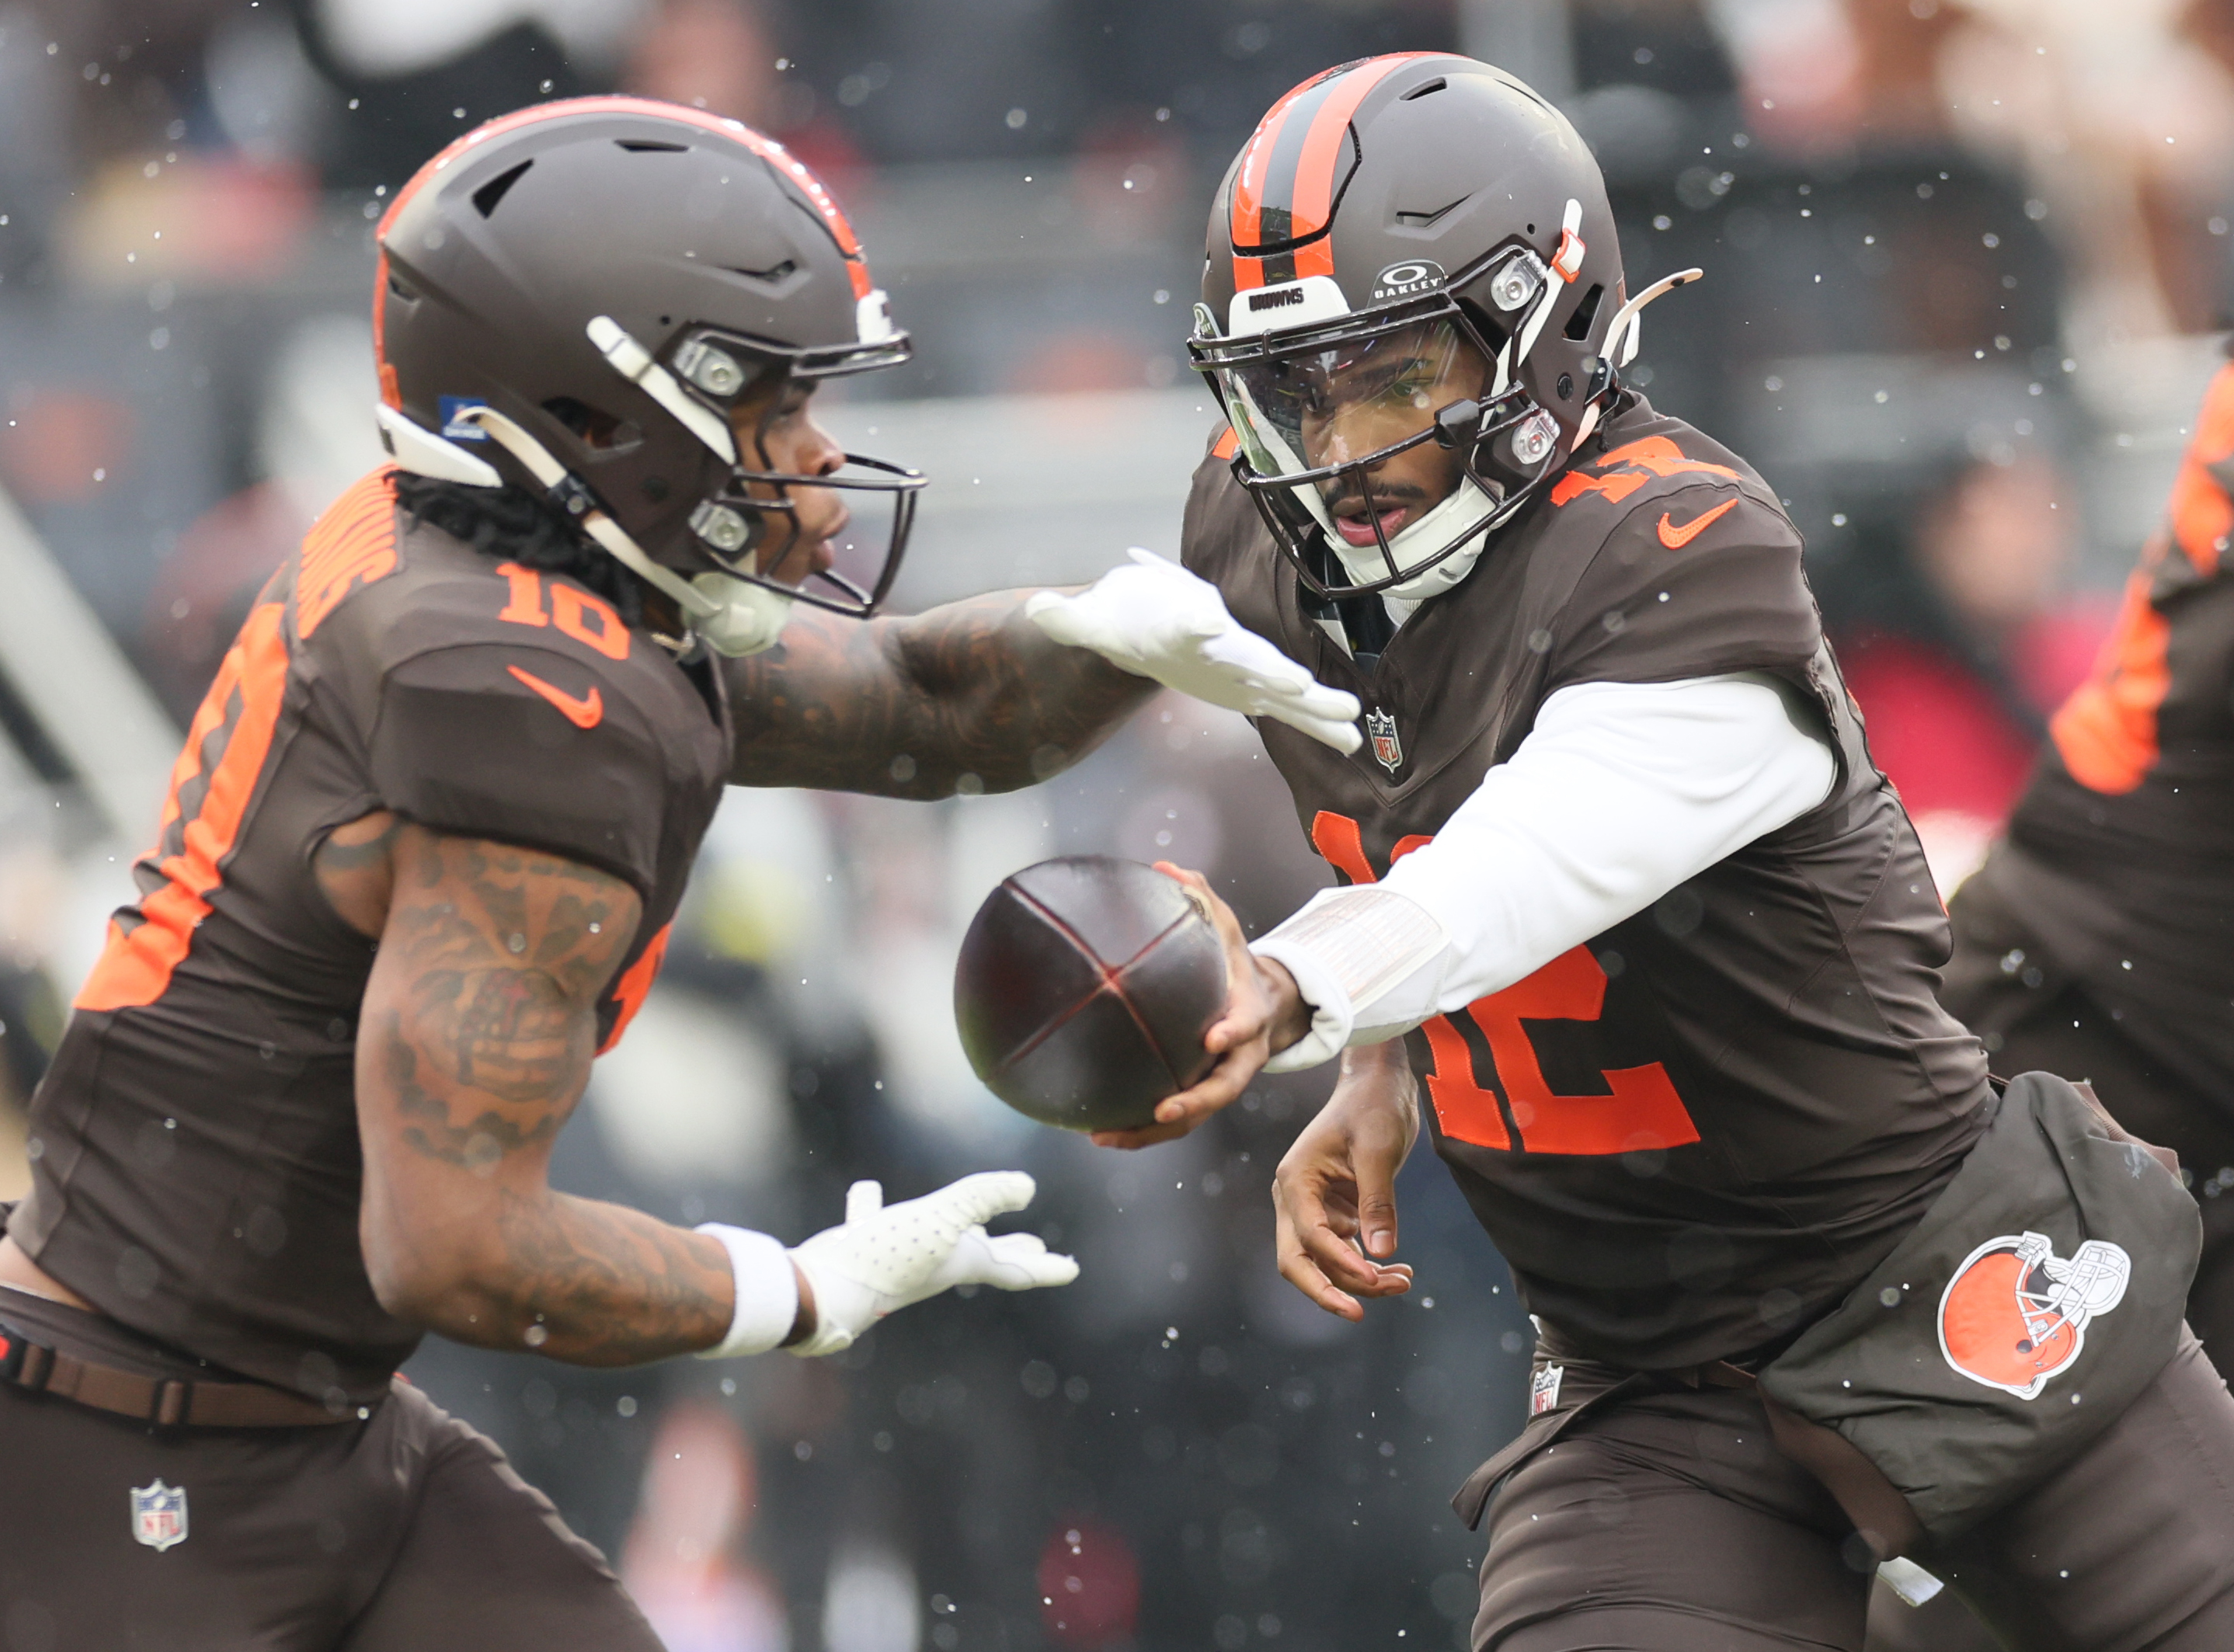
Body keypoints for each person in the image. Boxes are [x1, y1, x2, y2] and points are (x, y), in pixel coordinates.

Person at [0, 98, 1360, 1648]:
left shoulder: (483, 558)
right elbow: (449, 1237)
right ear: (596, 419)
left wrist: (1119, 628)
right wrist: (792, 1285)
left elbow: (920, 711)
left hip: (299, 1414)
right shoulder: (521, 685)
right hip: (137, 1439)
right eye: (771, 401)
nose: (818, 452)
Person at [1028, 54, 2234, 1651]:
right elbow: (1410, 816)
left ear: (1541, 330)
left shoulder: (1674, 543)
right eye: (1294, 387)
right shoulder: (1267, 543)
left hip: (1950, 1273)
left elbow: (1535, 854)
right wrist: (1380, 1055)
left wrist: (1303, 980)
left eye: (1391, 375)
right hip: (1642, 1365)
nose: (1335, 447)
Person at [1863, 356, 2234, 1652]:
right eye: (1994, 503)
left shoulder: (2081, 643)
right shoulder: (1883, 689)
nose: (2031, 527)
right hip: (2050, 1081)